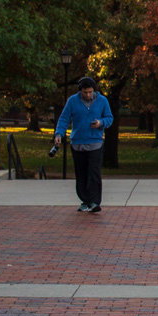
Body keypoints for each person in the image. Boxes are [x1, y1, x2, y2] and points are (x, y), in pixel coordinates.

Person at [54, 76, 113, 213]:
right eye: (85, 92)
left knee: (94, 172)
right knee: (81, 173)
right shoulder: (72, 101)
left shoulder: (102, 101)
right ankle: (84, 200)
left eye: (90, 92)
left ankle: (94, 201)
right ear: (80, 91)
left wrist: (100, 123)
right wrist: (59, 134)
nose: (88, 95)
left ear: (94, 90)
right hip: (77, 143)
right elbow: (64, 119)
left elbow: (109, 118)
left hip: (95, 142)